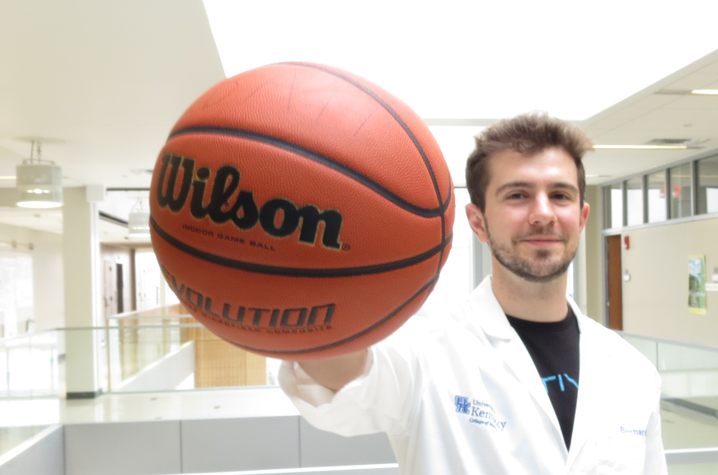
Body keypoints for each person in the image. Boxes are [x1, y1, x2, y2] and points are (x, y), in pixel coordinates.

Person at [279, 113, 668, 474]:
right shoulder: (425, 350)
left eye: (561, 195)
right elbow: (336, 379)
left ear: (581, 218)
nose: (543, 213)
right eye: (517, 195)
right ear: (477, 222)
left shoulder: (633, 373)